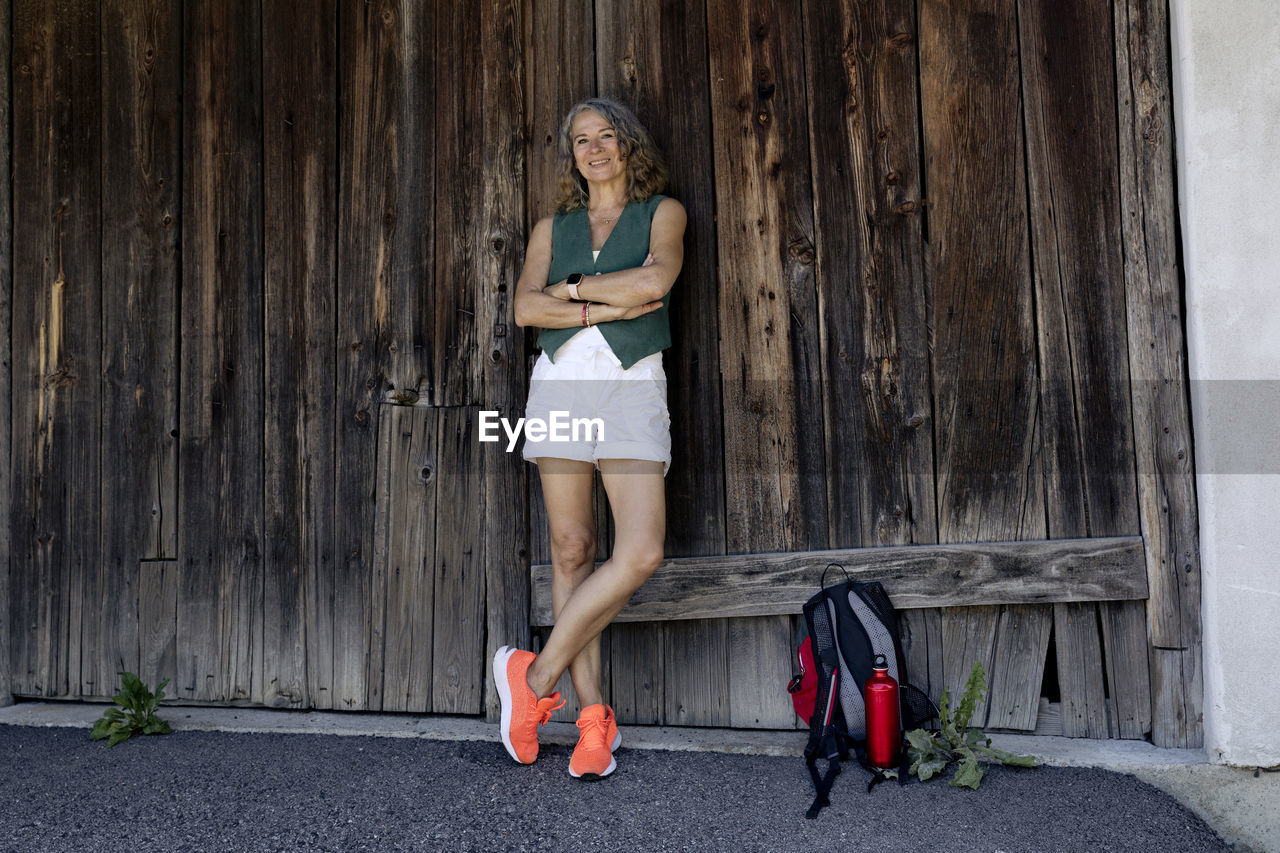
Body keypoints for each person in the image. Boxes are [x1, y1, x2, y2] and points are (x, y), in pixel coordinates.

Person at [495, 97, 686, 779]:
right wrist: (599, 296)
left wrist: (566, 296)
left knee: (640, 550)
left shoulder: (662, 213)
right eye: (582, 139)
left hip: (631, 386)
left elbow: (656, 283)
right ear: (571, 155)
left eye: (607, 135)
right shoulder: (553, 226)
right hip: (561, 388)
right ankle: (591, 720)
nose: (595, 147)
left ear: (628, 144)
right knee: (572, 549)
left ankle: (532, 673)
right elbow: (525, 307)